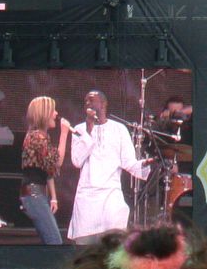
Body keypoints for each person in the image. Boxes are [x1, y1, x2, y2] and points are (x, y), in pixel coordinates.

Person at [68, 90, 153, 245]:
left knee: (112, 245)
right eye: (86, 101)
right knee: (86, 249)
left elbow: (129, 163)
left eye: (92, 100)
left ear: (103, 104)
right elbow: (76, 161)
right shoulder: (79, 129)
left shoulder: (119, 129)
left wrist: (146, 164)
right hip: (87, 196)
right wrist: (88, 129)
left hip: (111, 195)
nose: (88, 103)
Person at [20, 96, 70, 244]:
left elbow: (49, 170)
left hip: (37, 193)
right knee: (54, 241)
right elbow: (57, 162)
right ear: (44, 113)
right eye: (53, 110)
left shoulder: (42, 136)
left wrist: (53, 197)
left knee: (51, 240)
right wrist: (64, 134)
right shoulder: (37, 137)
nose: (56, 113)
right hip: (34, 194)